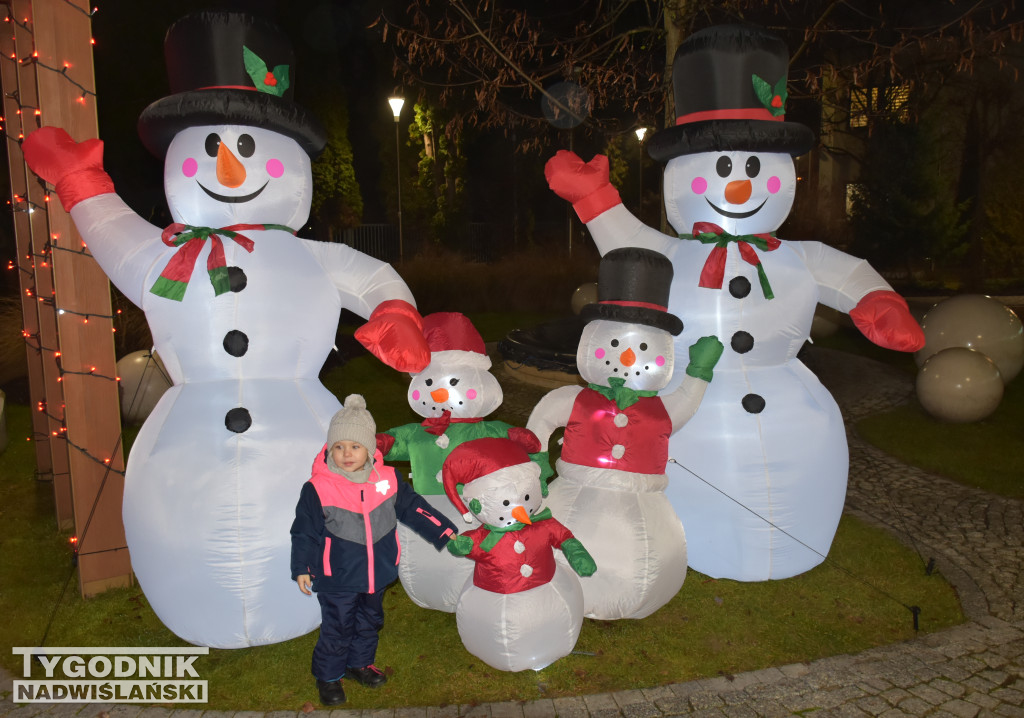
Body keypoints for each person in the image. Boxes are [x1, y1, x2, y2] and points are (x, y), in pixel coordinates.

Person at [291, 394, 458, 706]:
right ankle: (328, 677)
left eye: (355, 446)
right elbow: (304, 530)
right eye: (339, 446)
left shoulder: (389, 480)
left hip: (377, 572)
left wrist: (447, 532)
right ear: (329, 449)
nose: (346, 454)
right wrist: (301, 566)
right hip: (337, 576)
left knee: (369, 622)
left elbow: (415, 509)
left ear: (369, 449)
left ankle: (359, 664)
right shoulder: (318, 488)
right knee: (338, 626)